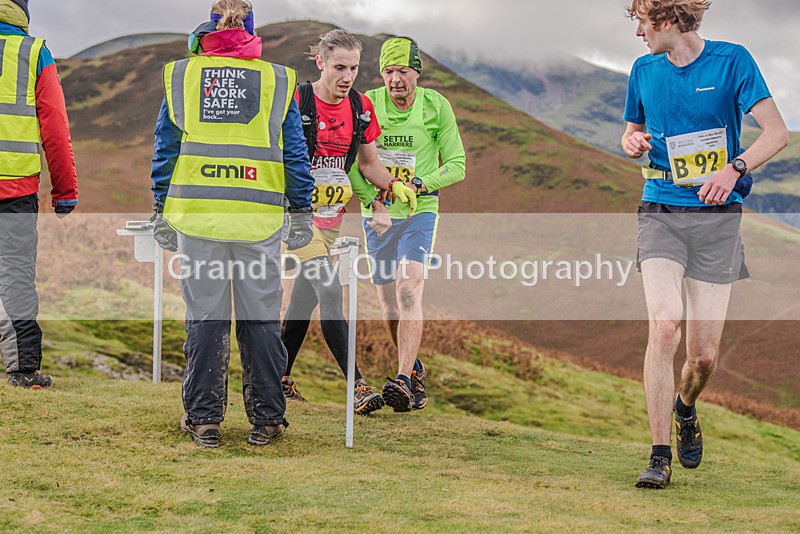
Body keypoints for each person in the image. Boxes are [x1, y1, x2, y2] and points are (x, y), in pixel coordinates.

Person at [621, 0, 789, 488]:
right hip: (661, 210)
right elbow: (632, 133)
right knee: (664, 326)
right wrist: (631, 142)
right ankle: (658, 456)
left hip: (717, 220)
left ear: (668, 18)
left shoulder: (732, 60)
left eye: (642, 22)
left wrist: (734, 168)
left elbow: (777, 133)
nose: (638, 33)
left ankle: (685, 406)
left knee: (703, 358)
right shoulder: (643, 70)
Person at [150, 0, 314, 448]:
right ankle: (267, 419)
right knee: (260, 319)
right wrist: (301, 209)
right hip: (258, 220)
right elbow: (294, 153)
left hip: (198, 217)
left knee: (206, 318)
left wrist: (161, 207)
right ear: (252, 34)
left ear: (208, 29)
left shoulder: (183, 75)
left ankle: (204, 420)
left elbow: (166, 148)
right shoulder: (277, 79)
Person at [280, 30, 417, 415]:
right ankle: (356, 386)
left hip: (331, 219)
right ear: (320, 62)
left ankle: (279, 377)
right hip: (295, 218)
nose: (347, 76)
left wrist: (393, 185)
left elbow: (368, 163)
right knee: (329, 290)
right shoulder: (297, 100)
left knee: (305, 298)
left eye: (354, 68)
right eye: (339, 67)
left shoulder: (360, 107)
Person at [349, 37, 466, 412]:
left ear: (417, 72)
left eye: (403, 71)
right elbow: (352, 160)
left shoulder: (436, 106)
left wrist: (419, 185)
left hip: (420, 212)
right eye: (388, 71)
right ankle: (415, 370)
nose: (395, 79)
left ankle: (401, 379)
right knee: (388, 304)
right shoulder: (367, 103)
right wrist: (372, 201)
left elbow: (457, 165)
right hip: (379, 216)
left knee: (409, 287)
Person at [1, 0, 79, 388]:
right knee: (15, 276)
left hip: (16, 189)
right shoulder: (32, 52)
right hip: (15, 189)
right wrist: (64, 191)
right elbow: (55, 126)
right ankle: (22, 370)